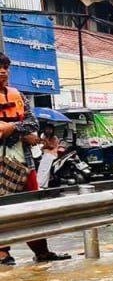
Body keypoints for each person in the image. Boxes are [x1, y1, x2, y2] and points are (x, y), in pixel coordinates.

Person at [0, 53, 70, 264]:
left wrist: (11, 128)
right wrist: (22, 133)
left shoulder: (18, 96)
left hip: (24, 162)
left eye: (5, 67)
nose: (3, 71)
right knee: (2, 207)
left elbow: (33, 124)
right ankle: (3, 252)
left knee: (33, 206)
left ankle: (42, 250)